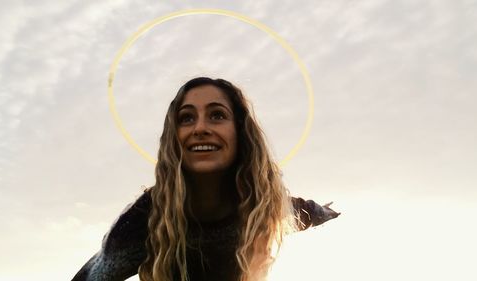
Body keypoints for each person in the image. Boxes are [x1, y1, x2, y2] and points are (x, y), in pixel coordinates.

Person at [71, 77, 339, 281]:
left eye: (217, 115)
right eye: (187, 118)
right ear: (174, 138)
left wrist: (326, 212)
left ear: (240, 132)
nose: (200, 128)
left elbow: (304, 211)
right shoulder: (147, 219)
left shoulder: (263, 205)